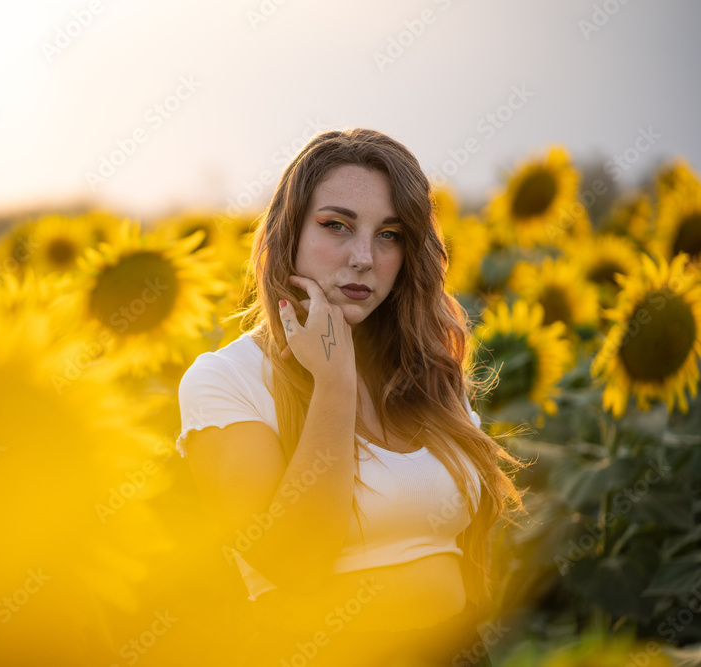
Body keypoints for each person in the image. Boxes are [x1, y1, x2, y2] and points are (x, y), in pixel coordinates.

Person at [176, 128, 526, 666]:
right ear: (287, 234)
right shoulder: (227, 380)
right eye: (336, 225)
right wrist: (334, 384)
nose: (364, 257)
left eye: (390, 234)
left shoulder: (426, 369)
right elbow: (295, 562)